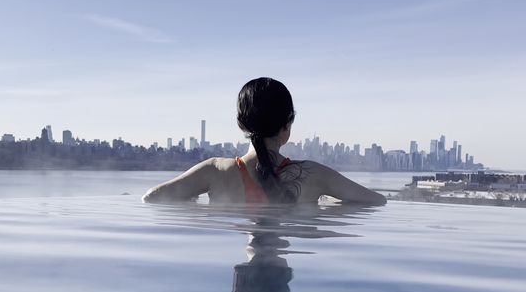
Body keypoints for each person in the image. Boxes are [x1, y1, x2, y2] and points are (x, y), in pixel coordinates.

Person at [142, 77, 386, 205]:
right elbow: (377, 201)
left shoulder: (215, 171)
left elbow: (152, 198)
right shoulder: (315, 175)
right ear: (288, 125)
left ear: (241, 124)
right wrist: (327, 199)